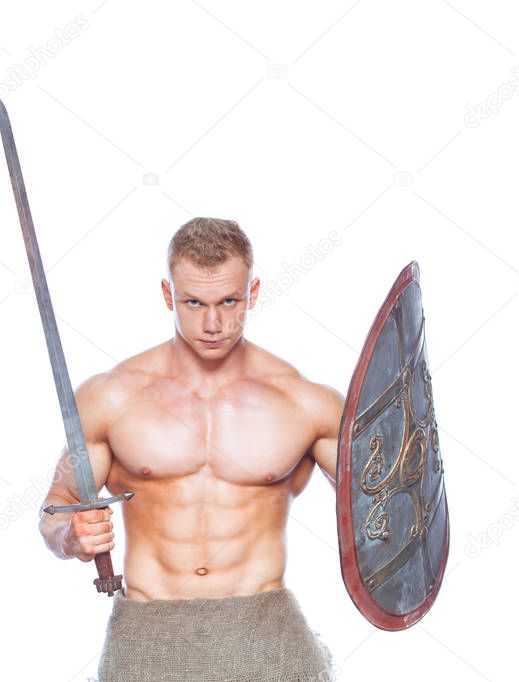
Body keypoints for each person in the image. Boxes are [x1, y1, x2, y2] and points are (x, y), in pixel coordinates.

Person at [39, 217, 343, 681]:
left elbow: (383, 509)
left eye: (229, 301)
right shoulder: (111, 398)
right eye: (194, 303)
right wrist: (72, 537)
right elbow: (56, 509)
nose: (214, 323)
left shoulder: (305, 403)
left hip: (267, 642)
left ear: (253, 292)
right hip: (148, 640)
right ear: (168, 296)